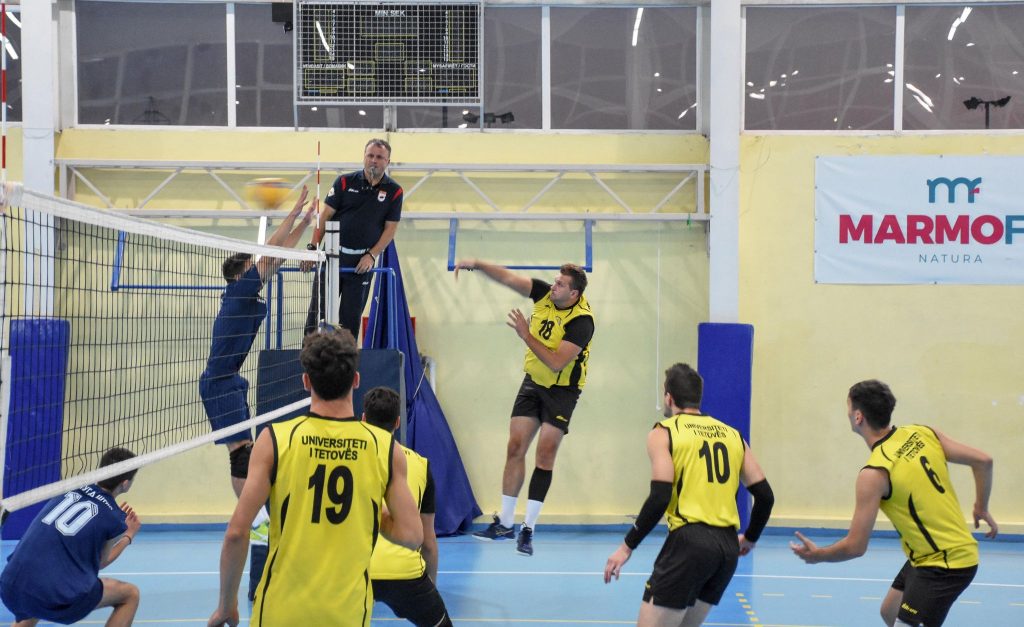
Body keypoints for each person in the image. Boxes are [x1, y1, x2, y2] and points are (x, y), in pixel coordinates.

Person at [207, 328, 423, 627]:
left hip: (280, 612)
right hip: (347, 615)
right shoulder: (385, 448)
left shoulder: (275, 439)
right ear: (356, 380)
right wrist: (373, 511)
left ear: (306, 381)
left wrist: (226, 606)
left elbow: (236, 533)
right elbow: (412, 536)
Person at [790, 379, 997, 627]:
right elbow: (984, 461)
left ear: (858, 417)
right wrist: (981, 507)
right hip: (927, 555)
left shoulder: (875, 472)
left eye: (848, 408)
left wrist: (818, 556)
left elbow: (855, 546)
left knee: (904, 621)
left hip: (944, 564)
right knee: (890, 610)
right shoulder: (922, 433)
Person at [603, 363, 774, 627]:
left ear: (669, 398)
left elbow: (660, 497)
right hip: (727, 549)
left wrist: (627, 547)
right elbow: (765, 496)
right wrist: (750, 538)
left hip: (689, 544)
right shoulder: (733, 436)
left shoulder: (664, 432)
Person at [454, 258, 595, 556]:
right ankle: (505, 523)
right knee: (515, 445)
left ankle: (528, 528)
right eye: (555, 281)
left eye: (560, 284)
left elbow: (556, 362)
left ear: (574, 294)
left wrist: (525, 334)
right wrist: (477, 264)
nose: (554, 286)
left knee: (545, 454)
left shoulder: (582, 322)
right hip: (533, 383)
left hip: (563, 391)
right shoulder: (544, 294)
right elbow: (507, 278)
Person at [198, 187, 315, 530]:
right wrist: (295, 210)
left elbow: (277, 255)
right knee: (241, 455)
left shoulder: (244, 292)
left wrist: (305, 221)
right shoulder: (238, 291)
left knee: (246, 453)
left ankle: (259, 519)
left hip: (229, 380)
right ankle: (255, 522)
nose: (260, 268)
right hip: (219, 383)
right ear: (240, 275)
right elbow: (271, 251)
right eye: (252, 266)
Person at [0, 448, 142, 627]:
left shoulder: (67, 489)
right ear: (125, 483)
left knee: (37, 598)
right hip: (52, 598)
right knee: (130, 594)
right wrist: (128, 535)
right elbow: (101, 563)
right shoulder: (114, 518)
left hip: (10, 586)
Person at [363, 386, 453, 627]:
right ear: (398, 422)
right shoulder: (421, 465)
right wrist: (430, 590)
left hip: (358, 571)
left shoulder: (350, 460)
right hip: (406, 573)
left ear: (363, 419)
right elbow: (428, 542)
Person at [302, 138, 403, 338]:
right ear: (364, 157)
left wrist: (371, 256)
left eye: (379, 157)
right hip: (332, 258)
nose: (374, 160)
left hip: (361, 265)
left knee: (349, 321)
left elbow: (390, 230)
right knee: (318, 315)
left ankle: (346, 358)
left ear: (387, 162)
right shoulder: (344, 182)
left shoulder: (395, 191)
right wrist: (313, 249)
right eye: (370, 155)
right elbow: (324, 217)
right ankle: (310, 356)